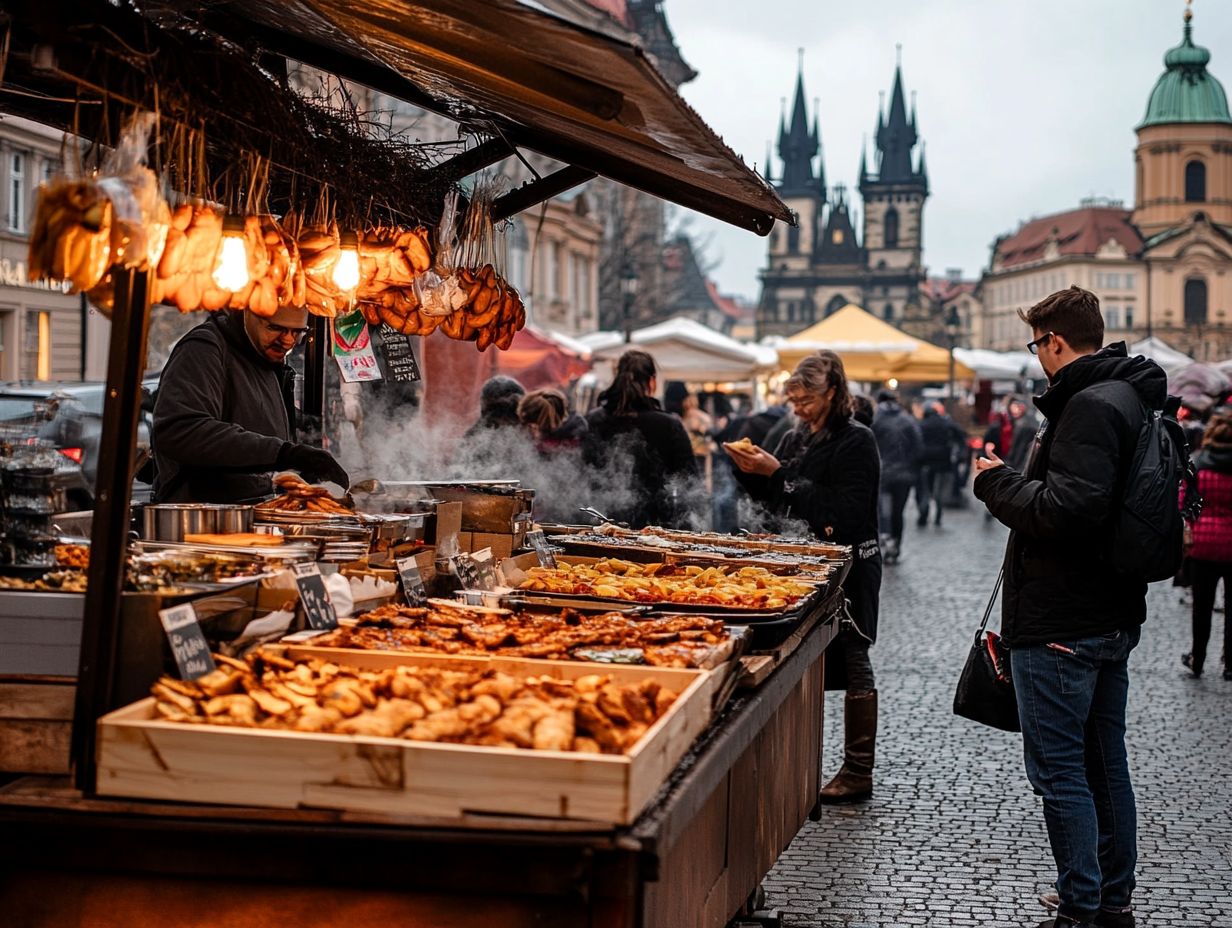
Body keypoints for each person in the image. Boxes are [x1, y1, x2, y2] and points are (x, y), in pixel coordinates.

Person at [974, 285, 1162, 928]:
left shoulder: (1088, 405)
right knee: (1106, 764)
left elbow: (1067, 511)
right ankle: (1112, 897)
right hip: (1110, 612)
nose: (1037, 358)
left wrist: (994, 481)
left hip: (1063, 619)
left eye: (1037, 345)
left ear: (1055, 341)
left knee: (1062, 772)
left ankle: (1082, 903)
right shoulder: (1130, 396)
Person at [726, 351, 882, 803]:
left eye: (806, 400)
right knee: (799, 659)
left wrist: (779, 474)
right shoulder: (798, 436)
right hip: (805, 564)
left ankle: (857, 770)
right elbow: (779, 498)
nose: (797, 408)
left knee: (854, 658)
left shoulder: (857, 440)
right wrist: (752, 472)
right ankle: (796, 760)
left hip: (850, 565)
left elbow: (847, 512)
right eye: (793, 399)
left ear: (831, 393)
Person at [152, 306, 348, 503]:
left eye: (298, 332)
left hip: (253, 514)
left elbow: (253, 419)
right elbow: (181, 431)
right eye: (275, 328)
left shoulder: (265, 357)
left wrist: (300, 456)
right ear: (248, 314)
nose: (288, 340)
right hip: (201, 518)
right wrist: (286, 454)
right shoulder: (204, 348)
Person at [583, 350, 698, 528]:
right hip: (655, 526)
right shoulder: (668, 424)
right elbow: (690, 481)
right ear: (652, 381)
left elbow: (582, 471)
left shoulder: (594, 420)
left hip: (602, 520)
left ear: (616, 375)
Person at [1182, 410, 1232, 681]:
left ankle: (1197, 658)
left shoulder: (1199, 463)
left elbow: (1183, 502)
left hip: (1204, 545)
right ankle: (1230, 663)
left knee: (1202, 607)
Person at [871, 388, 921, 563]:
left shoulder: (875, 420)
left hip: (883, 473)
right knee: (898, 512)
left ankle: (885, 541)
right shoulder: (908, 420)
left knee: (883, 510)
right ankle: (896, 544)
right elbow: (917, 447)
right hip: (904, 475)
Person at [916, 401, 964, 527]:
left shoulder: (921, 425)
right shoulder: (946, 423)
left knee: (925, 489)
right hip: (943, 461)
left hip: (925, 461)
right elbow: (960, 435)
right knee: (939, 491)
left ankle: (923, 512)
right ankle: (938, 514)